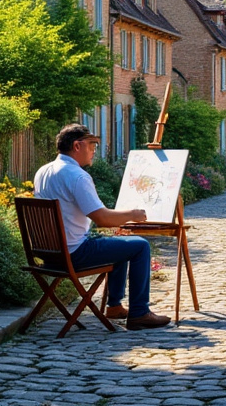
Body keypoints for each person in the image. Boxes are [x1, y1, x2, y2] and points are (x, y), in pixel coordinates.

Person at [33, 123, 170, 330]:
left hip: (49, 254)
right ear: (77, 146)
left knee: (121, 243)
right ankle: (140, 312)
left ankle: (114, 306)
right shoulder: (77, 176)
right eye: (92, 146)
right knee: (140, 246)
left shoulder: (43, 171)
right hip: (74, 253)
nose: (94, 151)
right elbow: (102, 219)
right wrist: (133, 215)